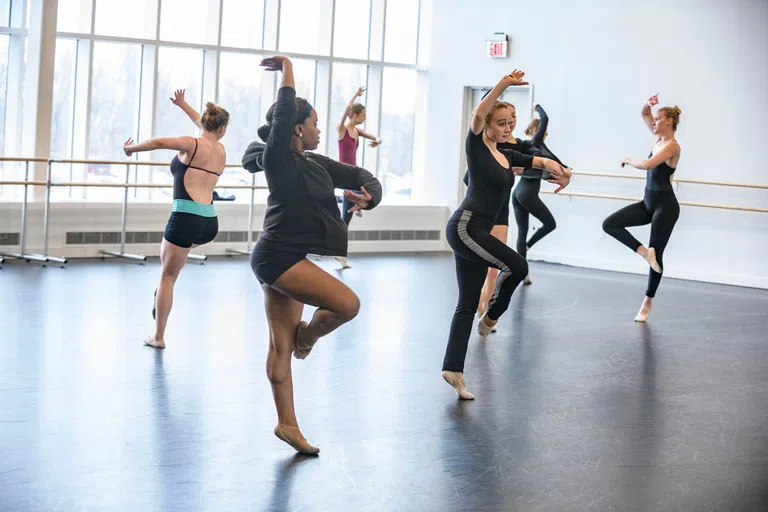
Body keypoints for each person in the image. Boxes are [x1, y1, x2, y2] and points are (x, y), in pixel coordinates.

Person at [242, 56, 382, 455]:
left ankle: (288, 424)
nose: (321, 128)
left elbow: (357, 176)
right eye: (316, 123)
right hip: (277, 257)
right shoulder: (278, 158)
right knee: (346, 303)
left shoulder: (312, 161)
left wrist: (369, 197)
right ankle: (307, 337)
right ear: (297, 129)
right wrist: (287, 66)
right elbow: (283, 110)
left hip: (281, 255)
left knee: (279, 346)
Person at [442, 70, 571, 400]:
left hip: (476, 229)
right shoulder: (476, 145)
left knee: (466, 302)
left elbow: (537, 159)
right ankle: (492, 316)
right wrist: (503, 84)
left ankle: (453, 369)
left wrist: (562, 171)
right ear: (486, 125)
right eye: (500, 123)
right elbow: (477, 113)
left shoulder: (505, 153)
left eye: (509, 123)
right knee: (517, 266)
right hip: (466, 226)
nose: (507, 128)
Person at [123, 90, 229, 349]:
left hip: (185, 216)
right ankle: (161, 296)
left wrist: (132, 149)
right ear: (223, 129)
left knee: (167, 277)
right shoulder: (220, 149)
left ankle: (158, 337)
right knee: (168, 264)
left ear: (205, 123)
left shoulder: (191, 144)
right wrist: (184, 106)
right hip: (209, 222)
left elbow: (159, 142)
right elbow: (204, 126)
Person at [602, 94, 682, 322]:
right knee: (610, 224)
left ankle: (648, 300)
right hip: (647, 203)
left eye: (658, 119)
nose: (654, 122)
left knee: (659, 253)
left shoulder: (672, 146)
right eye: (655, 119)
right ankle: (643, 252)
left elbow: (648, 164)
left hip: (665, 207)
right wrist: (650, 103)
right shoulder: (658, 138)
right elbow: (644, 113)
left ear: (669, 122)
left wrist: (627, 160)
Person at [464, 99, 540, 325]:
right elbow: (469, 178)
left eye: (513, 118)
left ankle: (487, 307)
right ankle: (479, 299)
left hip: (501, 212)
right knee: (478, 265)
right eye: (505, 120)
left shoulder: (519, 145)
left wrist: (559, 170)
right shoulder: (487, 145)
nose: (510, 124)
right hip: (481, 210)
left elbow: (539, 154)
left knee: (494, 268)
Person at [511, 103, 566, 284]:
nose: (546, 134)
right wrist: (539, 107)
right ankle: (526, 247)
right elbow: (545, 119)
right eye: (544, 132)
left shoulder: (532, 148)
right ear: (536, 130)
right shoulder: (536, 142)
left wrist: (564, 170)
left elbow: (541, 171)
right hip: (526, 193)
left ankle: (522, 272)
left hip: (519, 193)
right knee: (550, 223)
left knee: (522, 231)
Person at [334, 86, 382, 269]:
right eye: (363, 115)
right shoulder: (342, 130)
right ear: (355, 116)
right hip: (343, 174)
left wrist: (378, 140)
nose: (365, 118)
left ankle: (356, 204)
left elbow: (375, 136)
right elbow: (346, 109)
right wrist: (356, 94)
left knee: (346, 218)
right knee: (346, 217)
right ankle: (339, 253)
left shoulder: (357, 132)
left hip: (353, 176)